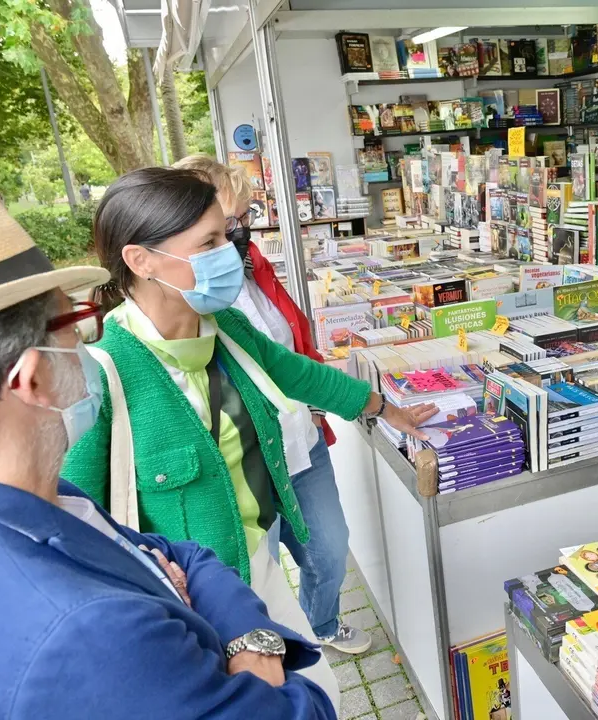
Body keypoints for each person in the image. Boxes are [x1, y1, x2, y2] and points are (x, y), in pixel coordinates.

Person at [0, 180, 335, 718]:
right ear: (30, 379)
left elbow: (179, 555)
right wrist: (260, 660)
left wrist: (246, 632)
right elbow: (300, 710)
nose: (88, 341)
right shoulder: (91, 631)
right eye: (74, 323)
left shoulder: (34, 499)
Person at [59, 168, 435, 696]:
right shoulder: (105, 371)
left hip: (258, 566)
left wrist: (380, 406)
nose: (229, 254)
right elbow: (74, 518)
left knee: (318, 689)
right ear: (140, 260)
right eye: (209, 242)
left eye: (229, 236)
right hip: (189, 607)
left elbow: (296, 372)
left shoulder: (225, 331)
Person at [174, 154, 368, 654]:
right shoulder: (182, 303)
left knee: (328, 548)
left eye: (242, 221)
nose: (239, 235)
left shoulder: (250, 266)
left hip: (299, 439)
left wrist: (357, 402)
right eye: (223, 226)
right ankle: (286, 644)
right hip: (248, 459)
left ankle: (319, 626)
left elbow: (289, 354)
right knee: (258, 570)